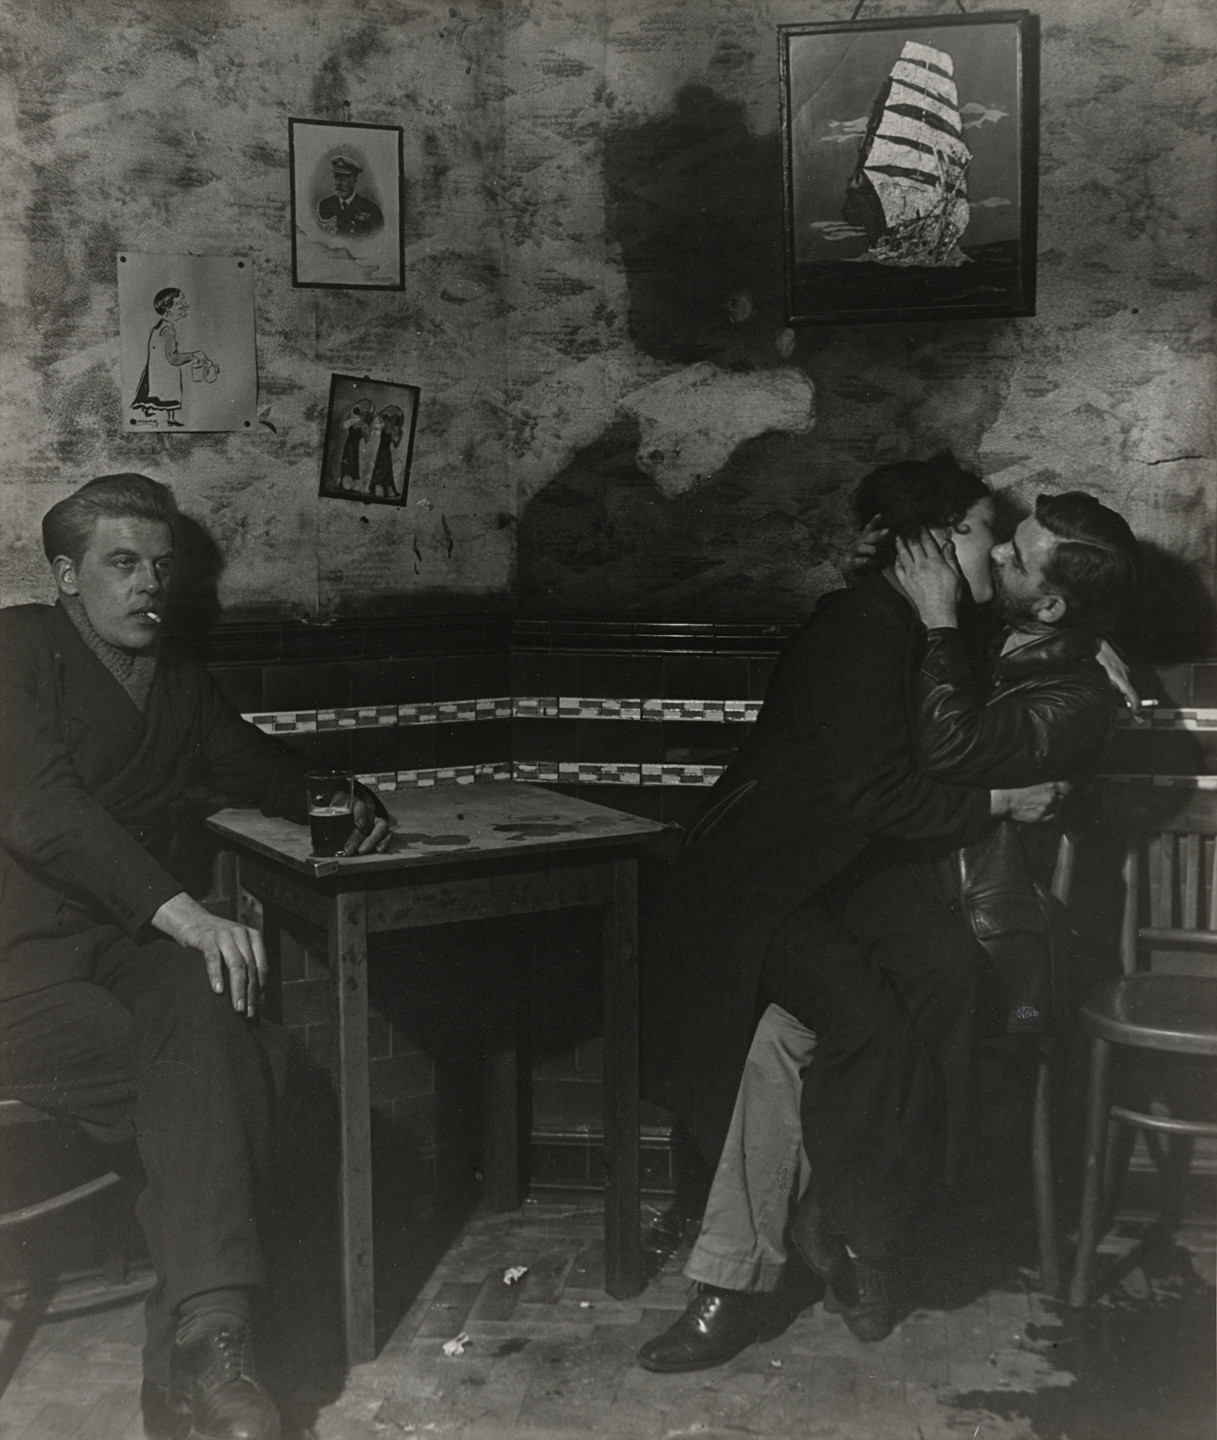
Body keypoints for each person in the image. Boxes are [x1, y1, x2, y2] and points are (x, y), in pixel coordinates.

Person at [639, 460, 1141, 1366]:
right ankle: (758, 1273)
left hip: (905, 892)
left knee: (937, 974)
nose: (999, 549)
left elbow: (972, 688)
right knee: (836, 1026)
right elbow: (899, 780)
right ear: (934, 548)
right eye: (989, 534)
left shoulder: (976, 637)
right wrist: (1002, 797)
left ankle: (849, 1229)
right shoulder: (884, 625)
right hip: (778, 878)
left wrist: (1085, 644)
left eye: (1014, 550)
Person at [0, 475, 393, 1440]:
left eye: (161, 567)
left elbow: (255, 766)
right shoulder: (15, 650)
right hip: (17, 970)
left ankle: (206, 1346)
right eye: (122, 563)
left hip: (125, 952)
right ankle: (202, 1358)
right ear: (67, 576)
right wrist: (184, 914)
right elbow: (40, 808)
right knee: (242, 1063)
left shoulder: (175, 681)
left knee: (208, 1013)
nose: (149, 585)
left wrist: (337, 796)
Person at [131, 289, 214, 430]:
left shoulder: (160, 326)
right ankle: (165, 419)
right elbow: (173, 358)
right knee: (166, 396)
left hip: (159, 373)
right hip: (165, 374)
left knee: (158, 395)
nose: (185, 305)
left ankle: (164, 417)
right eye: (180, 303)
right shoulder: (167, 330)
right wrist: (194, 355)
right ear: (168, 307)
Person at [316, 155, 384, 240]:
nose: (338, 183)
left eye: (344, 178)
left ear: (355, 180)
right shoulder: (324, 205)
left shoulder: (372, 210)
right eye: (336, 177)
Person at [368, 405, 405, 499]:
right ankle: (375, 490)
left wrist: (400, 436)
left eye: (394, 420)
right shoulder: (384, 427)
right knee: (381, 471)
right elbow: (378, 420)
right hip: (381, 452)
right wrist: (379, 414)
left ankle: (383, 491)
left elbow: (395, 445)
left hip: (385, 453)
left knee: (386, 472)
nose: (392, 421)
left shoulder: (392, 431)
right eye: (391, 419)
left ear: (395, 422)